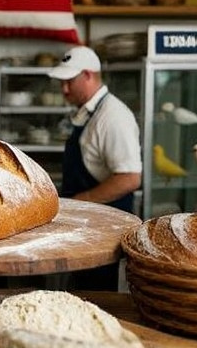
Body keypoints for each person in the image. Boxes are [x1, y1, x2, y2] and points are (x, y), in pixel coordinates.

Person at [48, 45, 142, 291]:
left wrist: (80, 202)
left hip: (102, 231)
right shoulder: (87, 113)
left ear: (88, 75)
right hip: (84, 225)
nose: (64, 89)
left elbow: (130, 178)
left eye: (69, 81)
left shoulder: (113, 117)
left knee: (97, 296)